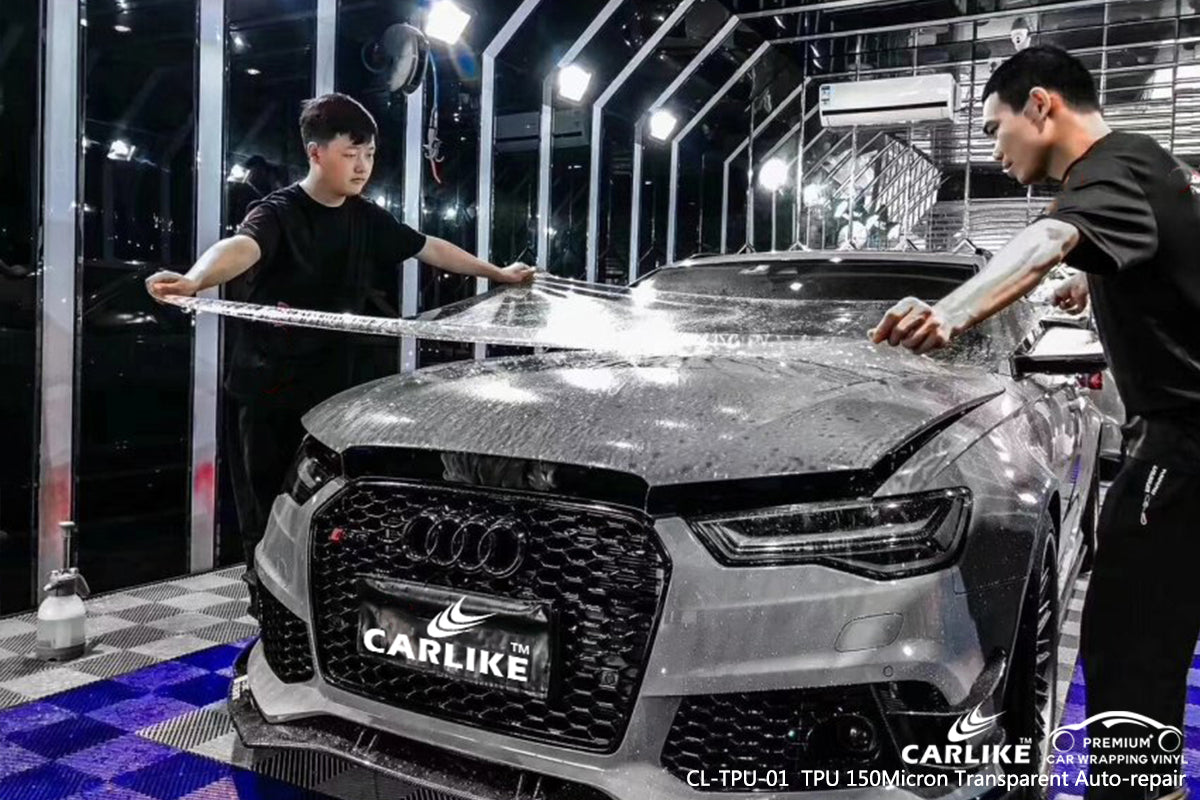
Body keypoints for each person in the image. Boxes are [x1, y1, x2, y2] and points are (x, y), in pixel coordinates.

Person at [871, 46, 1198, 800]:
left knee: (1129, 650)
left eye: (995, 128)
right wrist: (1093, 280)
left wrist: (949, 313)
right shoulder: (1147, 167)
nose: (993, 150)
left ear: (1042, 105)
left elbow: (1048, 240)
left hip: (1184, 448)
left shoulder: (1109, 167)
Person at [146, 93, 534, 616]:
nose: (362, 166)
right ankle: (269, 620)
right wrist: (194, 279)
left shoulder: (366, 218)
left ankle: (329, 617)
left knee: (334, 515)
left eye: (369, 155)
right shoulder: (277, 212)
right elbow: (241, 248)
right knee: (269, 514)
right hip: (269, 395)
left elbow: (429, 247)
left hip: (333, 399)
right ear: (316, 153)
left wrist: (499, 274)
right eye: (351, 154)